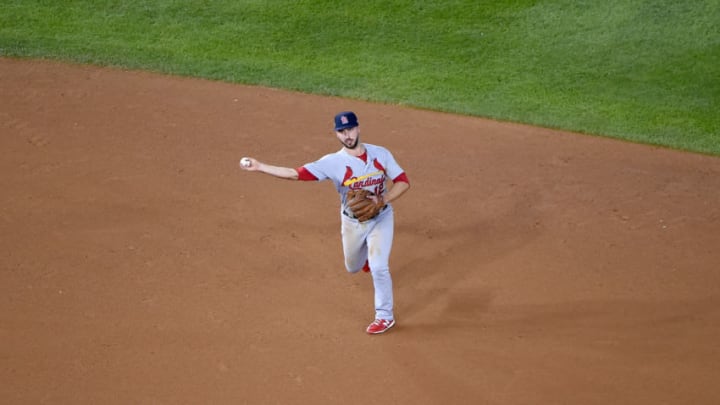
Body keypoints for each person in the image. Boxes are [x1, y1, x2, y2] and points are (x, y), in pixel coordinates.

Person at [239, 111, 410, 334]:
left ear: (358, 128)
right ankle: (365, 258)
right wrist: (261, 166)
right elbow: (295, 174)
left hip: (381, 217)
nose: (347, 135)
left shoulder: (381, 154)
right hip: (352, 223)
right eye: (342, 132)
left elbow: (403, 181)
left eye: (350, 130)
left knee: (379, 267)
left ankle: (384, 316)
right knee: (352, 267)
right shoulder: (333, 163)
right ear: (336, 134)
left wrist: (383, 199)